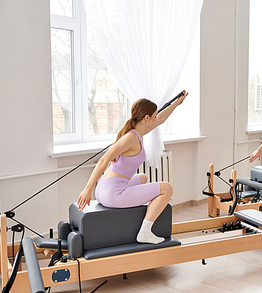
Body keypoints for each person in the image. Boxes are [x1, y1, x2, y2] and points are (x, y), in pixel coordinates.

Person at [77, 92, 188, 244]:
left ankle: (138, 218)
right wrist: (87, 189)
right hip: (113, 195)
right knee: (167, 188)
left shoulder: (137, 133)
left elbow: (161, 119)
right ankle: (145, 232)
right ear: (146, 118)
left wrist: (177, 102)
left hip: (104, 190)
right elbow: (103, 160)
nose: (156, 119)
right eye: (153, 116)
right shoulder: (130, 138)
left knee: (143, 177)